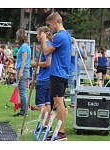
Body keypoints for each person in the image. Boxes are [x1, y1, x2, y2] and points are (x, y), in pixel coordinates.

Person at [40, 12, 72, 141]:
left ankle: (61, 132)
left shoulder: (60, 36)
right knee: (60, 104)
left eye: (50, 25)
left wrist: (44, 40)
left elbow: (47, 51)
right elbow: (59, 47)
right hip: (62, 73)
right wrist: (51, 39)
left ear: (55, 22)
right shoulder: (66, 35)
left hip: (57, 74)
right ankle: (59, 131)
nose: (50, 29)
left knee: (59, 105)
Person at [30, 26, 53, 132]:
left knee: (41, 104)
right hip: (48, 79)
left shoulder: (47, 46)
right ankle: (47, 125)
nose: (36, 35)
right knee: (47, 103)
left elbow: (48, 63)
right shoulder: (48, 45)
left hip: (44, 79)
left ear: (43, 34)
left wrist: (36, 64)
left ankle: (46, 125)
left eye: (38, 33)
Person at [13, 29, 31, 117]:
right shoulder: (27, 46)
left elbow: (24, 59)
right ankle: (23, 110)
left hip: (22, 69)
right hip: (25, 69)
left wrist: (20, 71)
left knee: (22, 92)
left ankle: (23, 111)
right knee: (22, 92)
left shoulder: (23, 47)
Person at [68, 37, 87, 107]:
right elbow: (85, 57)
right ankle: (73, 101)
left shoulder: (67, 50)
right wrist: (84, 49)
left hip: (70, 70)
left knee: (70, 86)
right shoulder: (77, 50)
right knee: (74, 86)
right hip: (77, 70)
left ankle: (72, 102)